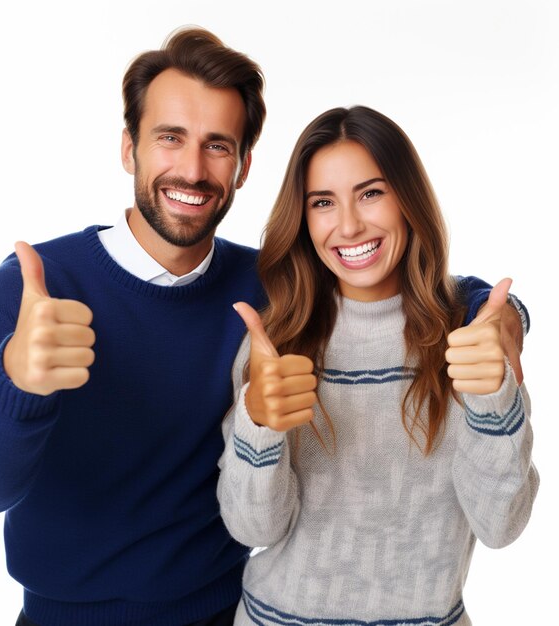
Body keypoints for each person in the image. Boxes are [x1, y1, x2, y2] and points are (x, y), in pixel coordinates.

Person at [0, 28, 525, 626]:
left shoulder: (273, 288)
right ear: (128, 148)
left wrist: (501, 316)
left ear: (243, 167)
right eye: (170, 138)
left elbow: (392, 280)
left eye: (218, 146)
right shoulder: (31, 290)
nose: (192, 169)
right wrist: (17, 380)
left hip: (227, 613)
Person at [218, 105, 538, 625]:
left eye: (371, 192)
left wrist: (494, 399)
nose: (348, 225)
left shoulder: (470, 337)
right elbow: (254, 529)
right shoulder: (278, 341)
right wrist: (259, 425)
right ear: (302, 218)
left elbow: (501, 524)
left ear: (408, 198)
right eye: (323, 202)